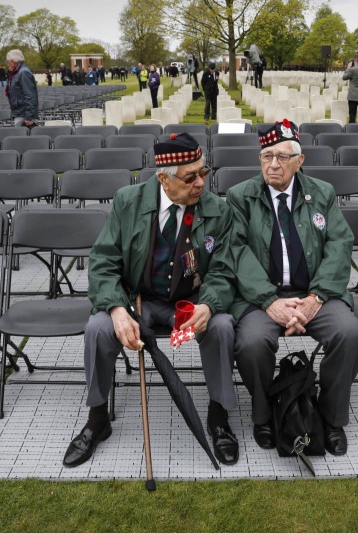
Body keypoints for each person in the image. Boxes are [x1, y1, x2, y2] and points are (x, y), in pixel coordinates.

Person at [62, 133, 240, 468]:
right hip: (136, 300)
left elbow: (225, 271)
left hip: (189, 303)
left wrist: (208, 304)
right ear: (163, 178)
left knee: (222, 325)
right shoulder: (128, 201)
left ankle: (218, 417)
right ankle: (97, 420)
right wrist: (116, 308)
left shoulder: (218, 210)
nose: (201, 182)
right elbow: (103, 262)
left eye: (205, 172)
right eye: (191, 177)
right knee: (97, 329)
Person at [226, 119, 358, 455]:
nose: (272, 165)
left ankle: (331, 417)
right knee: (252, 342)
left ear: (299, 161)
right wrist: (270, 301)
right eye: (266, 156)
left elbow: (339, 244)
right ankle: (263, 416)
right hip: (262, 298)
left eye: (282, 157)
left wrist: (316, 298)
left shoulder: (322, 193)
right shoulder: (240, 196)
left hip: (315, 293)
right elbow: (237, 251)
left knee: (348, 333)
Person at [5, 49, 38, 128]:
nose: (8, 64)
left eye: (8, 61)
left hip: (24, 114)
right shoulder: (18, 73)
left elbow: (29, 95)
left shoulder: (23, 73)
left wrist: (28, 117)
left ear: (13, 61)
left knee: (23, 139)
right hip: (20, 112)